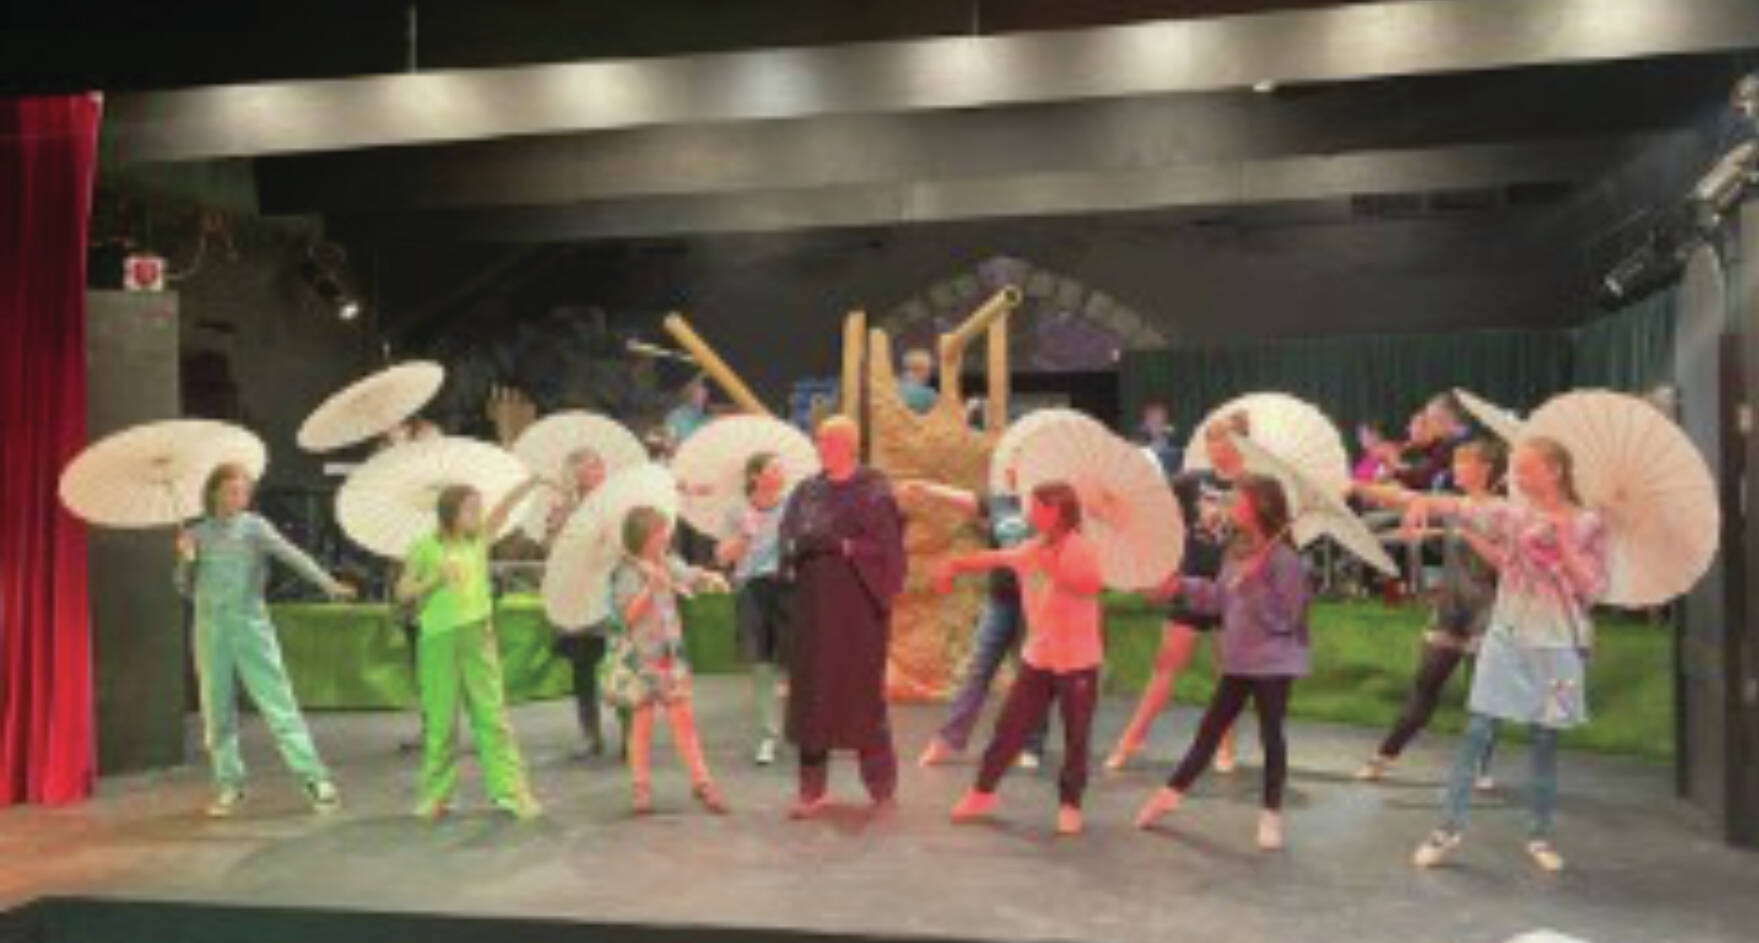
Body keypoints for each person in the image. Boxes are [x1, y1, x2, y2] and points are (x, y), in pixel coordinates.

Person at [1405, 437, 1608, 873]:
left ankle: (1538, 835)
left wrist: (1564, 545)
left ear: (1554, 471)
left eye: (1527, 468)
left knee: (1545, 738)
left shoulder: (1589, 523)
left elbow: (1592, 589)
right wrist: (1418, 499)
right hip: (1506, 639)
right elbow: (1462, 515)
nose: (1516, 476)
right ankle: (1447, 828)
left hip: (1557, 649)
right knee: (1476, 729)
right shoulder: (1513, 514)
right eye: (1515, 468)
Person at [1134, 474, 1309, 851]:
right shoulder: (1237, 551)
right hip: (1239, 660)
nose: (1230, 506)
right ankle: (1171, 792)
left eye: (1238, 500)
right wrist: (1182, 586)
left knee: (1271, 737)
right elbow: (1218, 599)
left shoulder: (1285, 559)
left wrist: (1256, 587)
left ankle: (1271, 814)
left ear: (1259, 505)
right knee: (1209, 730)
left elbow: (1289, 618)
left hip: (1273, 664)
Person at [175, 463, 356, 818]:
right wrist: (185, 559)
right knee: (216, 710)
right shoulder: (197, 533)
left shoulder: (255, 528)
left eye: (244, 491)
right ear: (214, 493)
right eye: (231, 490)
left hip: (251, 627)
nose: (239, 497)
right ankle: (228, 784)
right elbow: (184, 588)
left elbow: (293, 556)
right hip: (210, 629)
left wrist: (327, 583)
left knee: (279, 704)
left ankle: (314, 778)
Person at [940, 482, 1105, 835]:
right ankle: (982, 792)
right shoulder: (1032, 547)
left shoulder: (1079, 548)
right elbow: (996, 558)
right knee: (1011, 726)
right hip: (1039, 655)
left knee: (1077, 735)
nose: (1029, 514)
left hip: (1078, 659)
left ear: (1055, 512)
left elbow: (1091, 584)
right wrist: (955, 565)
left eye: (1036, 508)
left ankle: (1070, 804)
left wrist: (1052, 566)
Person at [1352, 438, 1507, 785]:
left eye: (1462, 463)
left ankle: (1481, 764)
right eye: (1455, 462)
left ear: (1484, 469)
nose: (1455, 469)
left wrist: (1467, 533)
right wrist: (1360, 488)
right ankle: (1384, 756)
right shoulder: (1455, 505)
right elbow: (1408, 500)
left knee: (1483, 695)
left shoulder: (1500, 510)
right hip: (1451, 608)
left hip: (1487, 609)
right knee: (1424, 685)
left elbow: (1506, 565)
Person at [1104, 410, 1248, 773]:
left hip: (1233, 590)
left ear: (1242, 443)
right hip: (1190, 582)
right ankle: (1131, 738)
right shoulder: (1192, 481)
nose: (1216, 448)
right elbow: (1154, 507)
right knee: (1166, 665)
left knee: (1227, 672)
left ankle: (1225, 746)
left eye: (1224, 440)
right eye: (1212, 440)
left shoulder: (1254, 486)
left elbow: (1263, 538)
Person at [779, 416, 907, 819]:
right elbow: (787, 534)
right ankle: (811, 791)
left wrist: (846, 546)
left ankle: (881, 785)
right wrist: (796, 545)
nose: (821, 447)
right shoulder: (807, 491)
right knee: (814, 695)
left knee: (860, 695)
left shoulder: (873, 491)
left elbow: (889, 553)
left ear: (849, 444)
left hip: (856, 614)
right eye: (819, 441)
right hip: (814, 611)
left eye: (829, 441)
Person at [398, 478, 546, 821]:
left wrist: (530, 483)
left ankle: (511, 792)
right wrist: (434, 579)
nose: (478, 515)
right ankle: (436, 796)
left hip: (478, 635)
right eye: (471, 509)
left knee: (492, 716)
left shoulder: (478, 541)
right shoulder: (423, 547)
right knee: (440, 720)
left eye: (479, 509)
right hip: (438, 638)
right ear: (450, 513)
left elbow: (503, 510)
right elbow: (403, 593)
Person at [908, 467, 1048, 771]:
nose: (1013, 470)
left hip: (1035, 600)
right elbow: (966, 500)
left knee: (1031, 674)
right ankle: (949, 739)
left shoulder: (1045, 504)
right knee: (979, 667)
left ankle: (1032, 743)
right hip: (1000, 598)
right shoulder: (999, 502)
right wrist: (928, 487)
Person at [606, 505, 733, 814]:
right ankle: (640, 786)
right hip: (642, 659)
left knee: (684, 720)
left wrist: (708, 577)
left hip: (670, 654)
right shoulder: (627, 571)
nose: (666, 536)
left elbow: (687, 575)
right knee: (642, 724)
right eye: (659, 531)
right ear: (644, 537)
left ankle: (702, 781)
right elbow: (628, 616)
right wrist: (650, 586)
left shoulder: (666, 561)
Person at [715, 451, 792, 766]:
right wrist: (746, 533)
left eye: (780, 468)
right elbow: (722, 558)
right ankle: (768, 736)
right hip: (752, 590)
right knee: (761, 666)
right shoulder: (737, 510)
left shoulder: (792, 506)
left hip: (789, 587)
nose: (780, 472)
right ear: (755, 477)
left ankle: (808, 728)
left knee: (798, 661)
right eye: (773, 468)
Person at [544, 447, 614, 757]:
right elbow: (549, 549)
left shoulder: (616, 503)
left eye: (600, 465)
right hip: (577, 591)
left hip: (609, 588)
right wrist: (557, 523)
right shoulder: (565, 509)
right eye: (590, 467)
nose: (598, 471)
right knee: (583, 667)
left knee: (618, 662)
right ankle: (590, 733)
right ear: (576, 475)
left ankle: (629, 732)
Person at [664, 376, 712, 447]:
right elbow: (670, 443)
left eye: (705, 390)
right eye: (699, 390)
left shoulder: (713, 419)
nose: (704, 395)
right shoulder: (676, 417)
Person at [1138, 401, 1181, 474]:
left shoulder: (1175, 448)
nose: (1156, 426)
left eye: (1159, 421)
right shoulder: (1135, 448)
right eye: (1152, 421)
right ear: (1144, 424)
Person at [898, 348, 937, 414]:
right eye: (928, 369)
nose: (929, 373)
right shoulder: (928, 395)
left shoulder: (895, 386)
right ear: (920, 369)